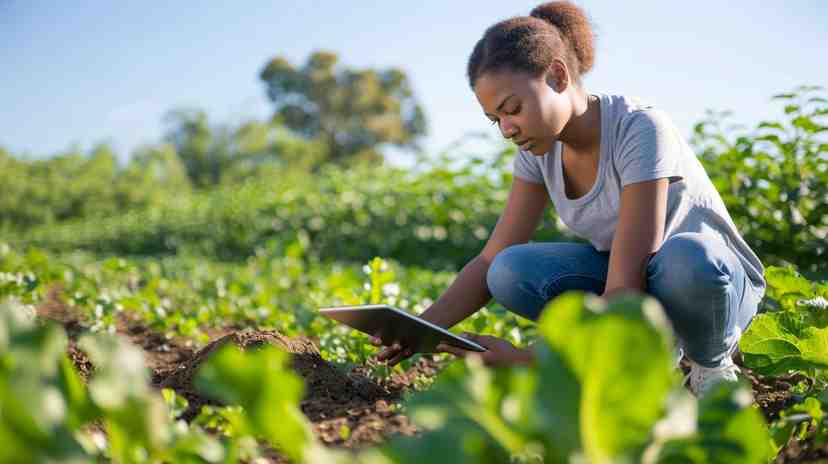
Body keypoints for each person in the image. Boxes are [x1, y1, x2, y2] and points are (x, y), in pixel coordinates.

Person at [373, 1, 766, 397]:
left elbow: (626, 286)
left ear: (558, 76)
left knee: (686, 260)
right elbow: (492, 257)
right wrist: (418, 326)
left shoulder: (640, 129)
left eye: (513, 109)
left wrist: (532, 359)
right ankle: (653, 354)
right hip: (638, 285)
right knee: (508, 270)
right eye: (496, 119)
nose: (507, 128)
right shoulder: (536, 153)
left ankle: (711, 365)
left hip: (714, 288)